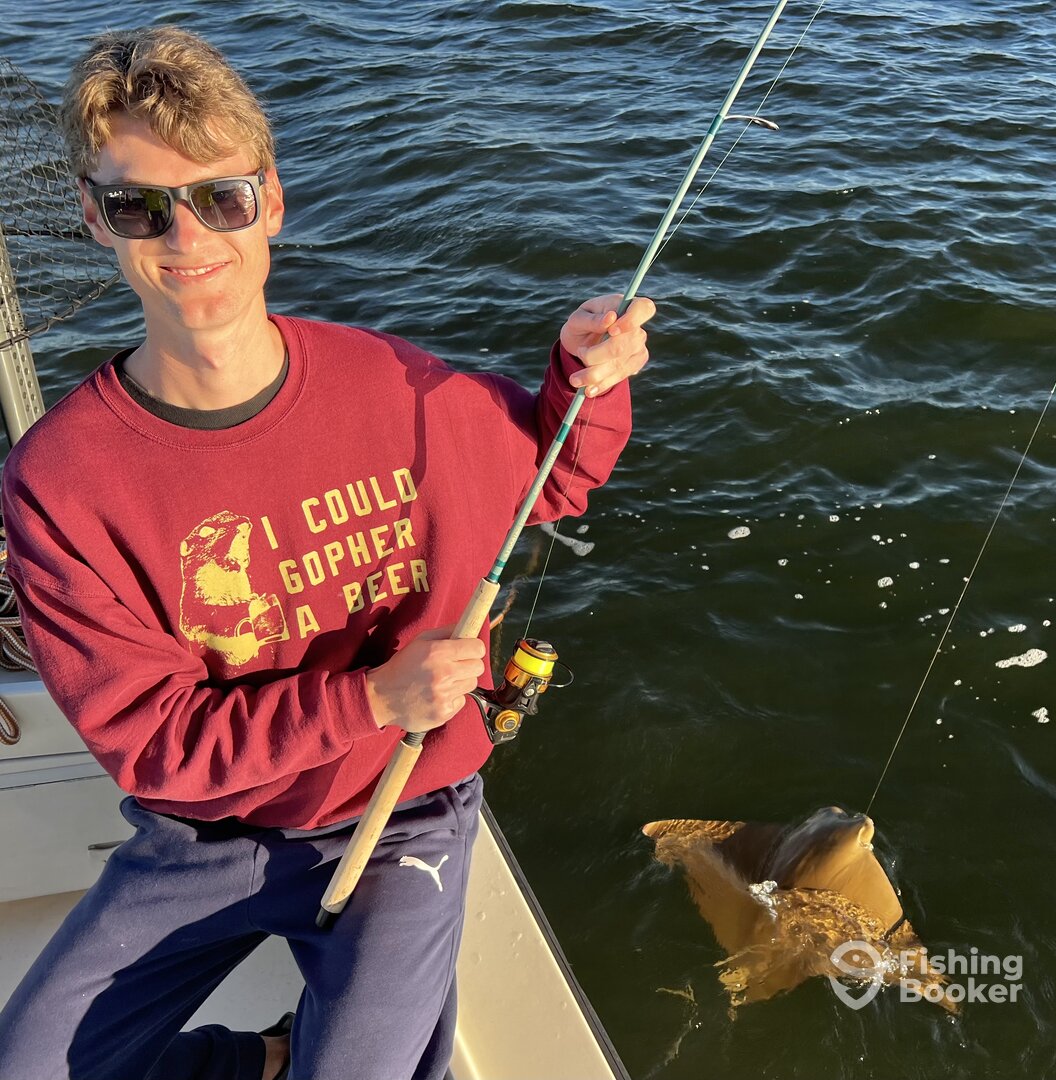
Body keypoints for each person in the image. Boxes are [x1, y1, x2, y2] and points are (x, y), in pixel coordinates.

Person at [0, 25, 655, 1080]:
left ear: (271, 201)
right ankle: (262, 1057)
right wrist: (371, 698)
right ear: (93, 216)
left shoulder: (396, 386)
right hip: (206, 838)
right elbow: (156, 744)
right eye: (140, 207)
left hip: (402, 815)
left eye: (220, 197)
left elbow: (553, 469)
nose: (186, 236)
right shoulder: (61, 480)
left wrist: (589, 375)